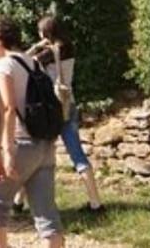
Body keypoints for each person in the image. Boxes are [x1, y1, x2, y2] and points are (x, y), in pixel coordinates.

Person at [0, 16, 63, 248]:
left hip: (20, 143)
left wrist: (5, 150)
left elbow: (8, 107)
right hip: (45, 145)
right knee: (46, 214)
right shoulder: (34, 62)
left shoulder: (4, 66)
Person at [28, 15, 103, 213]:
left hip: (51, 108)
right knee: (77, 154)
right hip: (69, 103)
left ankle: (18, 202)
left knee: (34, 152)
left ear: (46, 33)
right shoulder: (69, 47)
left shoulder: (48, 53)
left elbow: (24, 61)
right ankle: (96, 203)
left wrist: (37, 45)